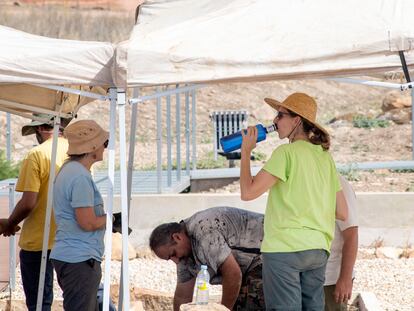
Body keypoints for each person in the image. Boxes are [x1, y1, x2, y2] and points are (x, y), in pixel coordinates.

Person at [240, 92, 348, 310]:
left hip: (285, 249)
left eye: (280, 115)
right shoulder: (325, 158)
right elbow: (342, 212)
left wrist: (245, 152)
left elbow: (248, 193)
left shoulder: (286, 153)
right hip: (318, 249)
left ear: (296, 120)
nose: (274, 121)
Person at [0, 113, 71, 311]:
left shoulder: (37, 154)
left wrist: (10, 222)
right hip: (68, 237)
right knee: (76, 298)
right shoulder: (76, 151)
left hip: (38, 240)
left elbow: (28, 202)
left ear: (39, 128)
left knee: (39, 302)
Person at [149, 206, 266, 311]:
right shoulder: (183, 254)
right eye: (169, 259)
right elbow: (183, 295)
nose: (175, 261)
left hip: (269, 253)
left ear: (177, 237)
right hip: (250, 264)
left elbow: (233, 274)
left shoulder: (204, 232)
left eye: (173, 254)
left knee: (251, 302)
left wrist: (224, 310)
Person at [50, 120, 108, 311]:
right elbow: (87, 222)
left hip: (71, 256)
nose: (105, 148)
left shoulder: (69, 171)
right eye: (104, 143)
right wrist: (110, 219)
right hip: (79, 259)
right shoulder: (80, 177)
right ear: (92, 147)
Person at [324, 176, 358, 311]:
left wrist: (345, 278)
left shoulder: (339, 184)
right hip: (309, 276)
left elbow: (351, 234)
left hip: (331, 278)